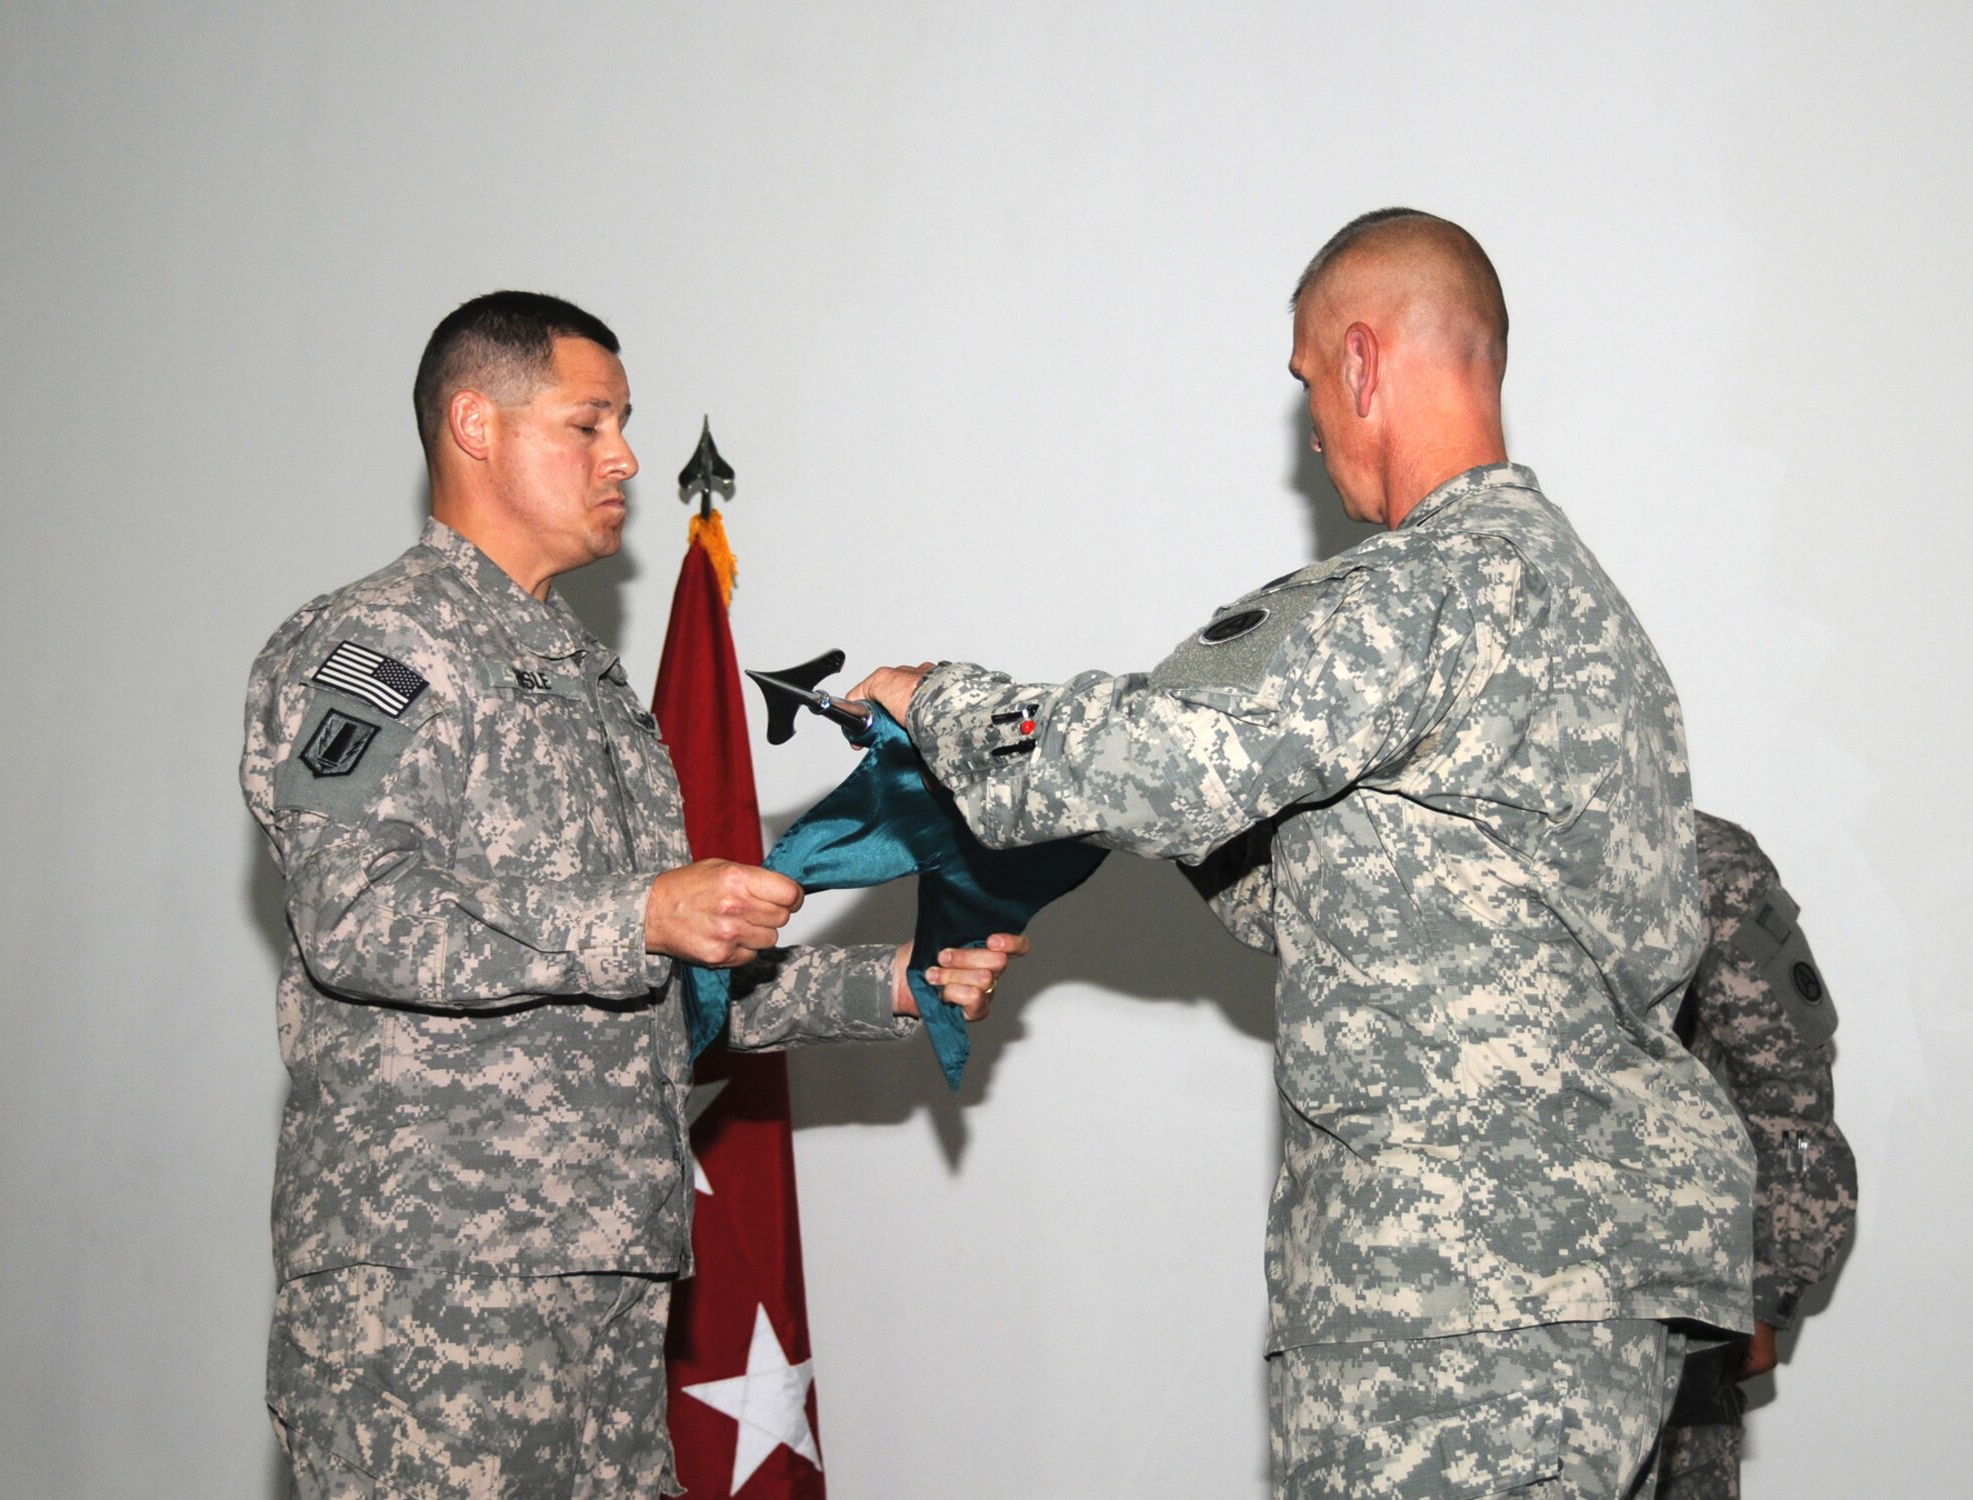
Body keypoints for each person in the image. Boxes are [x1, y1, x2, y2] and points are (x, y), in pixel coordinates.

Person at [852, 210, 1756, 1498]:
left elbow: (1166, 761)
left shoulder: (1424, 590)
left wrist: (942, 699)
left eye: (1306, 384)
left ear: (1362, 363)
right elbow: (1355, 898)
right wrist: (1195, 834)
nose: (1313, 427)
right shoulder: (1595, 624)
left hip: (1456, 1304)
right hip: (1567, 1286)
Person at [241, 291, 1026, 1498]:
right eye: (587, 422)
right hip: (437, 1283)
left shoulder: (589, 687)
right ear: (475, 425)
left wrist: (896, 984)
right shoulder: (373, 649)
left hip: (608, 1265)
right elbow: (358, 918)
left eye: (625, 423)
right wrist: (637, 913)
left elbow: (663, 986)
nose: (626, 457)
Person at [1655, 812, 1857, 1499]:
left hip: (1673, 1317)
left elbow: (1790, 1103)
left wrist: (1769, 1288)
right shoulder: (1407, 834)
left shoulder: (1701, 860)